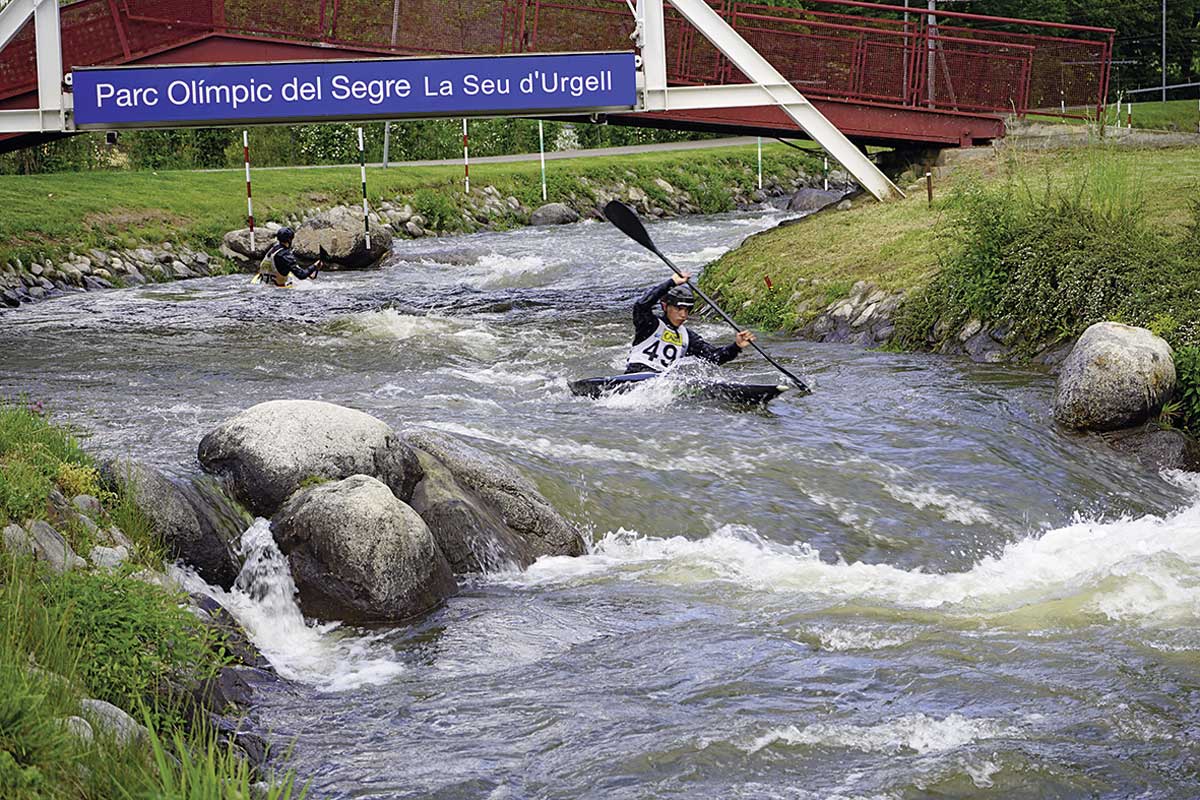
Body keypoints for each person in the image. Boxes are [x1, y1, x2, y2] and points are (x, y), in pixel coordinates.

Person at [625, 272, 756, 374]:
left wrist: (736, 346)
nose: (683, 315)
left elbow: (713, 357)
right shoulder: (649, 325)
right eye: (679, 308)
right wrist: (671, 283)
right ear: (665, 306)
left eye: (687, 310)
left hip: (659, 382)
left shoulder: (687, 337)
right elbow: (641, 305)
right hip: (636, 373)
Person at [255, 227, 320, 287]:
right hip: (277, 290)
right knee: (308, 284)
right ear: (289, 240)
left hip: (263, 285)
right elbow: (301, 275)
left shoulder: (272, 249)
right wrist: (315, 266)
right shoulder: (285, 256)